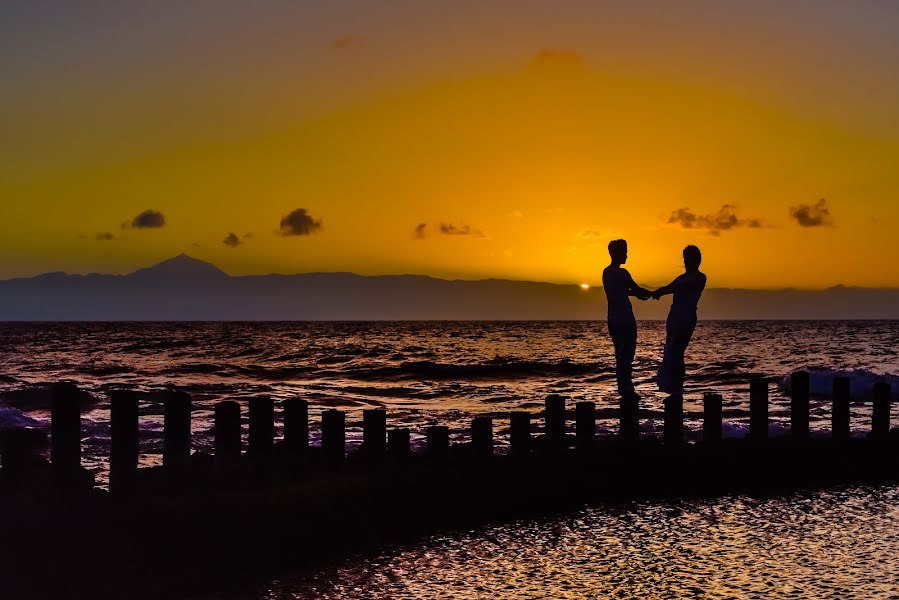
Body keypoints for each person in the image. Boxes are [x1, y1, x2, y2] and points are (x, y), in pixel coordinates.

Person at [652, 245, 707, 395]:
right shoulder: (681, 278)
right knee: (671, 349)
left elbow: (677, 287)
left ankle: (677, 385)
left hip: (686, 317)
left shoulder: (699, 277)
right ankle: (671, 385)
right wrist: (655, 293)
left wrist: (663, 291)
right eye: (688, 257)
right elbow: (668, 288)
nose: (693, 260)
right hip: (674, 315)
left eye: (696, 257)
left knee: (677, 350)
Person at [602, 239, 652, 398]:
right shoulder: (622, 273)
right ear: (617, 253)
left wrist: (637, 293)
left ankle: (622, 387)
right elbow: (636, 290)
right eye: (624, 252)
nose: (627, 256)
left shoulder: (606, 272)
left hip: (612, 318)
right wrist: (651, 293)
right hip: (625, 317)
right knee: (628, 354)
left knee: (619, 354)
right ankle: (627, 389)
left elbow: (622, 291)